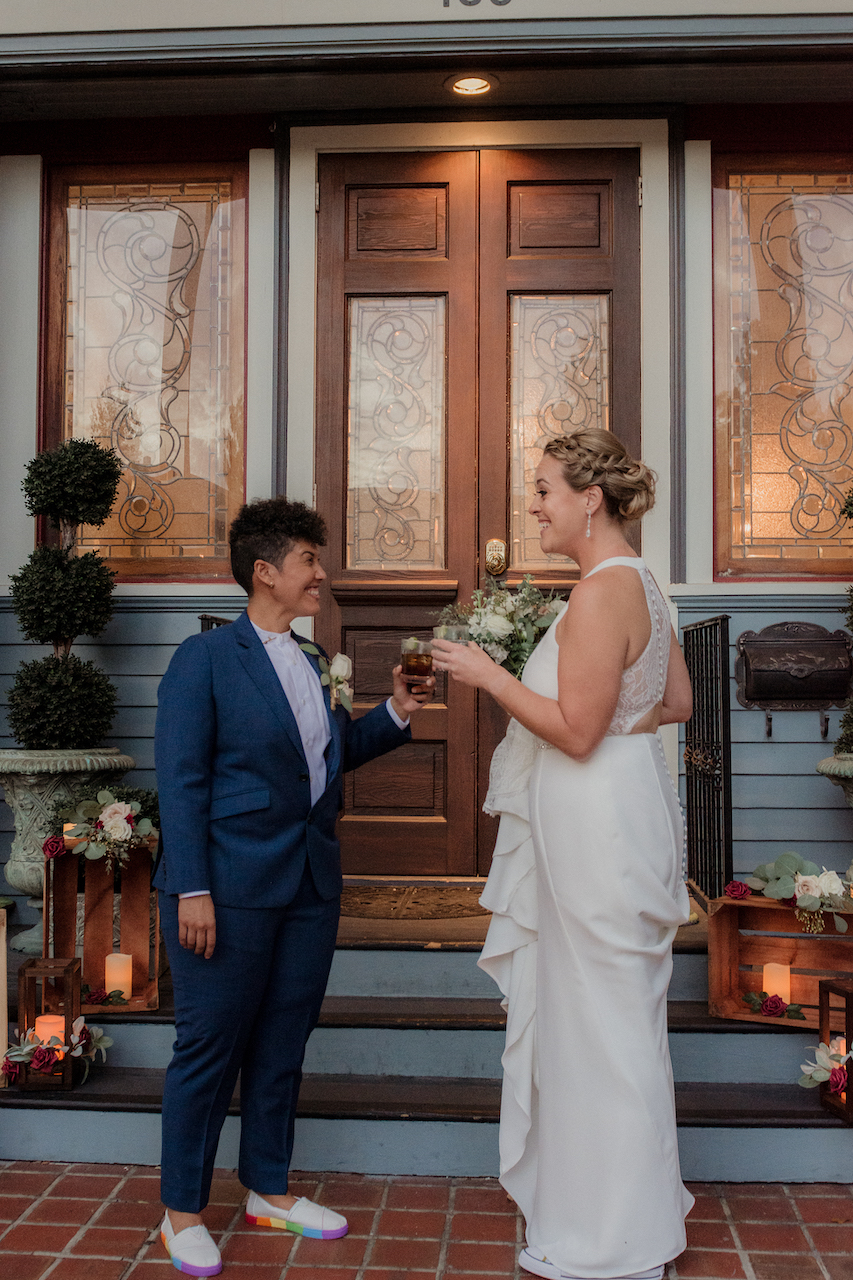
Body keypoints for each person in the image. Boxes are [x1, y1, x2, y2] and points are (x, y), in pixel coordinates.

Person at [431, 429, 694, 1280]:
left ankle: (608, 1239)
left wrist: (492, 677)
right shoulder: (647, 587)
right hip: (630, 810)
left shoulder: (596, 596)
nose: (534, 505)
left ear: (591, 499)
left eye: (543, 489)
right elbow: (674, 701)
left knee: (594, 1024)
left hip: (593, 824)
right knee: (620, 1017)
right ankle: (633, 1217)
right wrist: (607, 724)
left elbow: (577, 733)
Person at [153, 496, 433, 1277]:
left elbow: (325, 759)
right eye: (310, 560)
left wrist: (396, 715)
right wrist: (192, 889)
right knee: (208, 1049)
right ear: (265, 572)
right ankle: (182, 1212)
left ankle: (267, 1190)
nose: (322, 573)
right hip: (228, 889)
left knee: (282, 1042)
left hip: (310, 883)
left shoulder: (314, 660)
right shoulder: (202, 661)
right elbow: (180, 782)